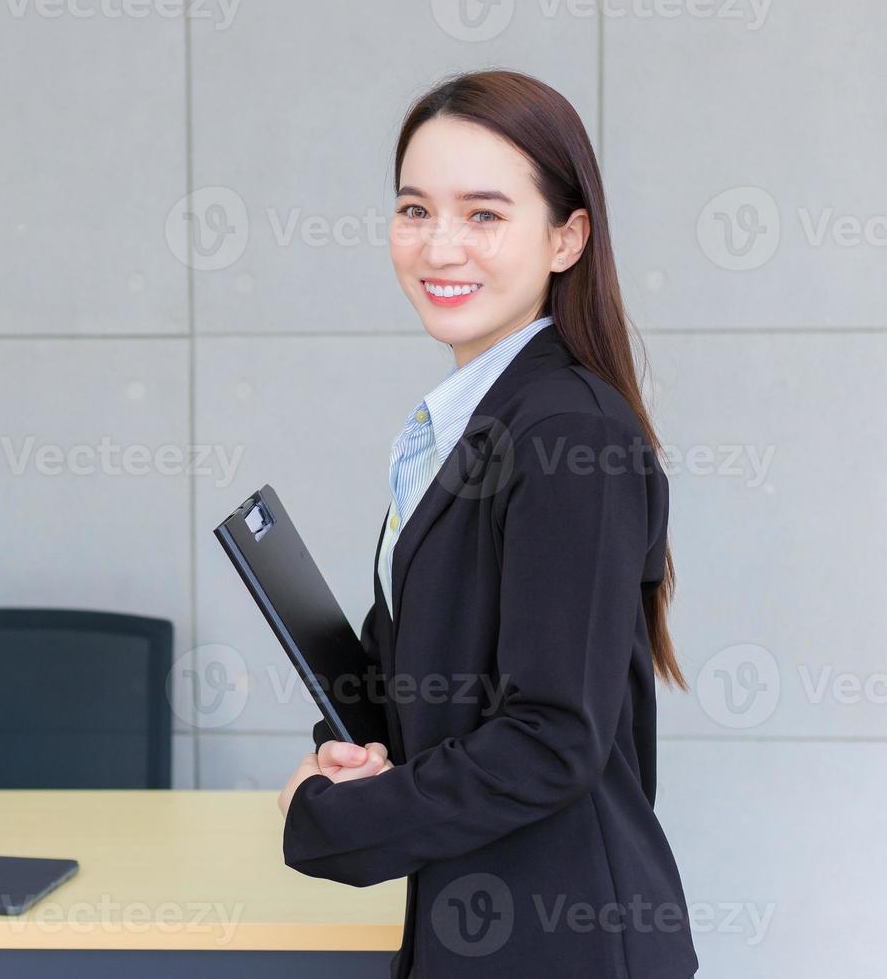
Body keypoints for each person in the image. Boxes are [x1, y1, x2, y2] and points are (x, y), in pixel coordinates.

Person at [276, 69, 699, 978]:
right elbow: (439, 677)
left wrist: (334, 822)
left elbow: (552, 737)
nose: (440, 247)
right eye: (415, 210)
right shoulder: (467, 422)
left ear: (566, 236)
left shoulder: (567, 435)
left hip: (564, 941)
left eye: (484, 214)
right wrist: (356, 745)